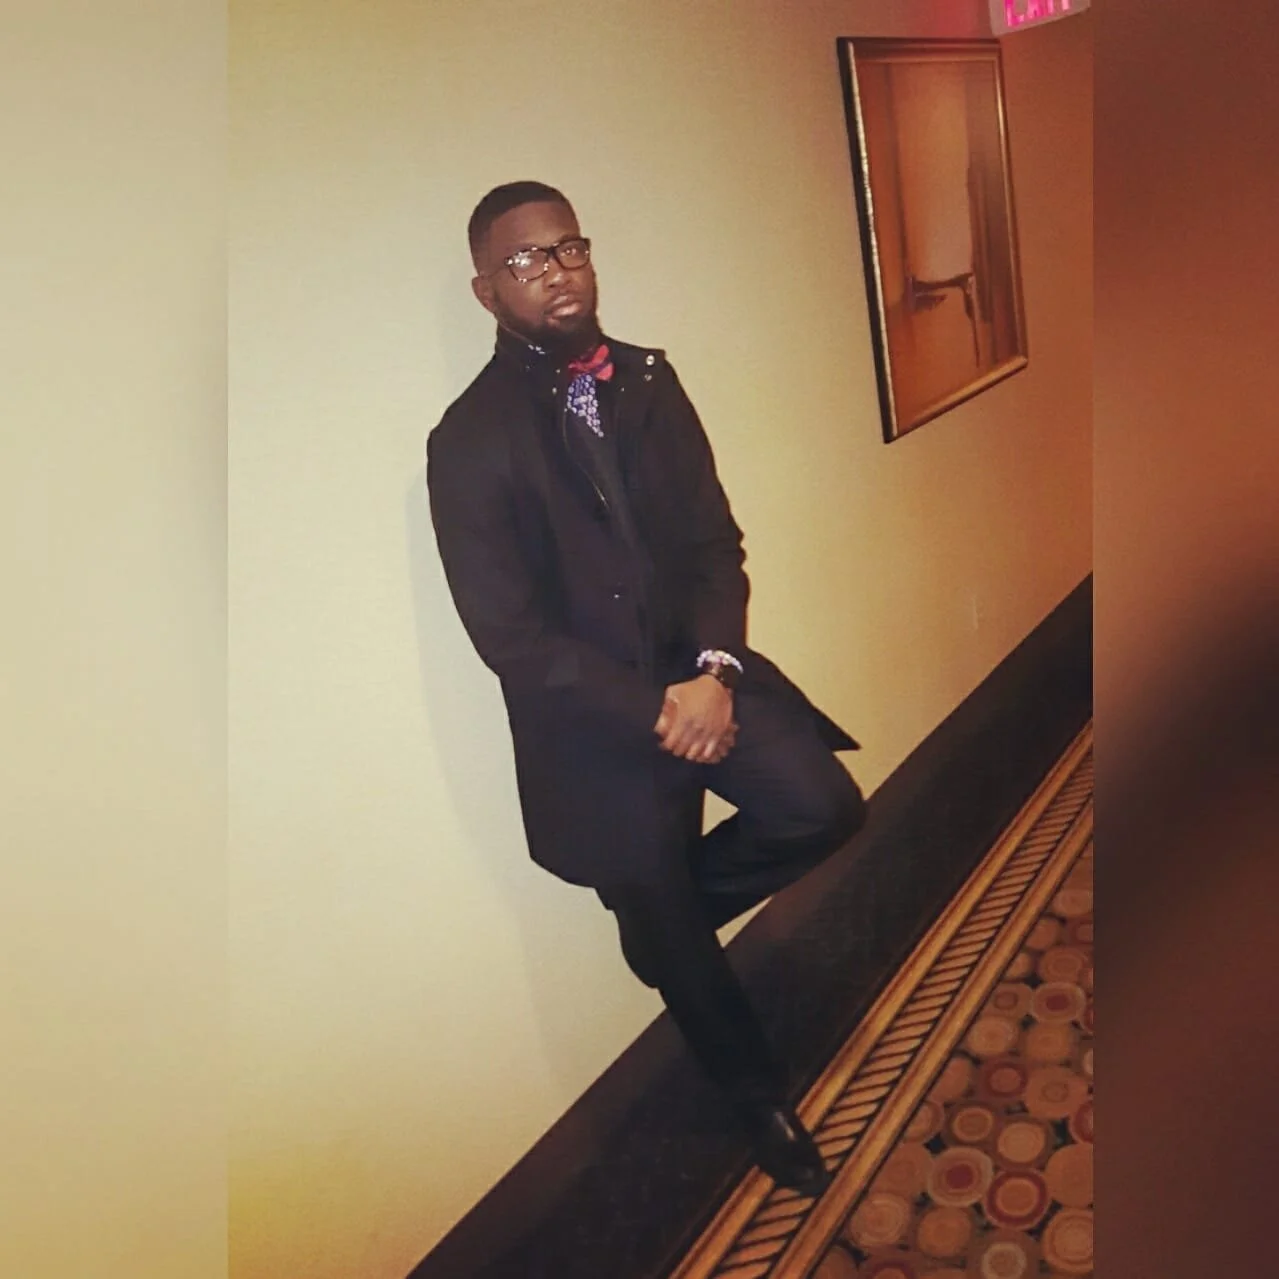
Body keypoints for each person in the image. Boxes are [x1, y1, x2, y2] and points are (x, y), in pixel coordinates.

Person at [427, 180, 867, 1196]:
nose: (556, 269)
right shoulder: (468, 439)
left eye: (568, 246)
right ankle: (755, 1094)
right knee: (675, 935)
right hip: (590, 728)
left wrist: (710, 672)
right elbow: (508, 637)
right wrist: (649, 709)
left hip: (699, 672)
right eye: (525, 259)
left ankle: (665, 930)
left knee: (822, 806)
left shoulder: (650, 383)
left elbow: (715, 543)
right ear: (486, 290)